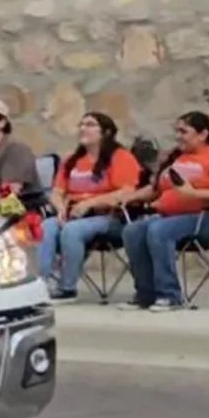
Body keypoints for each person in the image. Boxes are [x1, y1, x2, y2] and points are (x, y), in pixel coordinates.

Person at [119, 111, 209, 312]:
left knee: (159, 230)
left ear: (203, 134)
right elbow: (155, 189)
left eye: (183, 131)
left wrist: (194, 193)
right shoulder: (175, 158)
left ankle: (170, 295)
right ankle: (145, 294)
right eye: (176, 131)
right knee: (132, 231)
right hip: (172, 219)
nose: (178, 136)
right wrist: (129, 197)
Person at [39, 112, 142, 301]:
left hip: (110, 217)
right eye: (81, 124)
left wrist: (89, 203)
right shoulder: (72, 160)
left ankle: (67, 287)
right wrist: (60, 207)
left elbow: (126, 192)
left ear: (106, 132)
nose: (82, 128)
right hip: (73, 214)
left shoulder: (120, 157)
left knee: (72, 231)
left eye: (90, 124)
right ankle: (39, 284)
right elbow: (57, 192)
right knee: (46, 227)